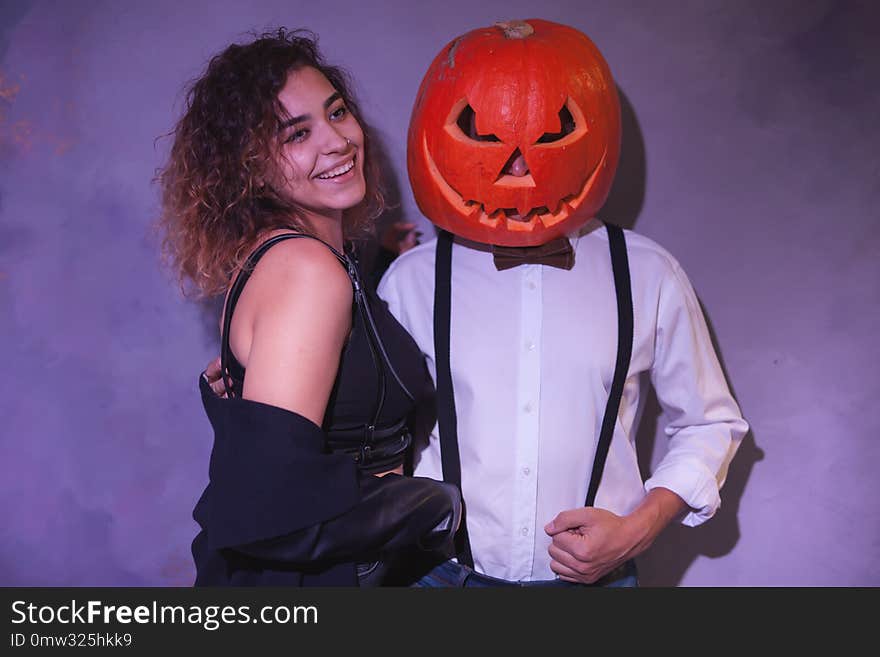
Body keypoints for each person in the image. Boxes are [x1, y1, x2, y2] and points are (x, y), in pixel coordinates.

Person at [375, 19, 750, 587]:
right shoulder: (409, 282)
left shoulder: (648, 274)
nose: (518, 172)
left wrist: (639, 527)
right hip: (436, 578)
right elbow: (365, 433)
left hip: (598, 586)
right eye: (482, 136)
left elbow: (710, 423)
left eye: (552, 138)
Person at [158, 28, 460, 587]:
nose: (338, 140)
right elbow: (270, 509)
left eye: (337, 112)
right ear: (249, 167)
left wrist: (378, 261)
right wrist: (436, 506)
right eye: (298, 133)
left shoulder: (306, 261)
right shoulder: (307, 271)